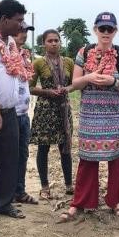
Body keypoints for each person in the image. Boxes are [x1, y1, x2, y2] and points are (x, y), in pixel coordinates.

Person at [59, 12, 119, 221]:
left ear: (116, 31)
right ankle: (81, 201)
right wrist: (89, 77)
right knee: (87, 160)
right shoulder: (84, 52)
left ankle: (114, 200)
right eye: (102, 29)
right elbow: (75, 84)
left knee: (117, 160)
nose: (106, 33)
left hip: (116, 117)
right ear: (95, 30)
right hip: (90, 117)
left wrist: (113, 82)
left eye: (110, 29)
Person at [0, 0, 33, 219]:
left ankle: (3, 203)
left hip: (10, 112)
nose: (21, 25)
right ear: (4, 20)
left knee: (9, 159)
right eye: (19, 20)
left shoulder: (11, 44)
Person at [30, 29, 74, 199]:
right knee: (44, 148)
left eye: (56, 40)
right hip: (45, 110)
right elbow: (30, 87)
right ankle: (45, 186)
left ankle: (69, 185)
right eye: (50, 41)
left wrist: (65, 89)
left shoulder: (68, 62)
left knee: (66, 148)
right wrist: (48, 92)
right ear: (44, 44)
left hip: (63, 109)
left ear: (60, 42)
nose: (54, 43)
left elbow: (74, 84)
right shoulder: (38, 63)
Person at [13, 23, 38, 205]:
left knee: (22, 154)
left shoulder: (24, 56)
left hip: (23, 113)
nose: (23, 35)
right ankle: (5, 196)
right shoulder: (3, 51)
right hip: (8, 113)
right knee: (6, 156)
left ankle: (19, 191)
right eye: (20, 31)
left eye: (26, 32)